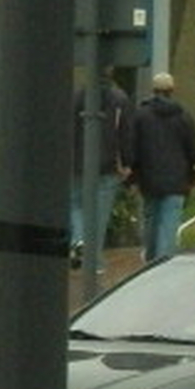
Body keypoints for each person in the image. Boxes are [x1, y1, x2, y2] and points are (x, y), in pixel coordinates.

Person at [127, 71, 195, 263]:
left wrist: (133, 178)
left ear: (153, 91)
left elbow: (132, 148)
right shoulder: (184, 117)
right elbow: (194, 151)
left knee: (151, 221)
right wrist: (194, 177)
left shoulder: (140, 116)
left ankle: (150, 258)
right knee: (169, 224)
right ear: (172, 90)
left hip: (149, 179)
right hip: (177, 180)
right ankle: (162, 263)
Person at [70, 69, 132, 266]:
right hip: (107, 166)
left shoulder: (76, 97)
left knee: (75, 205)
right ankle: (94, 261)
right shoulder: (120, 99)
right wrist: (127, 163)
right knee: (100, 215)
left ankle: (79, 239)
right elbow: (126, 133)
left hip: (77, 165)